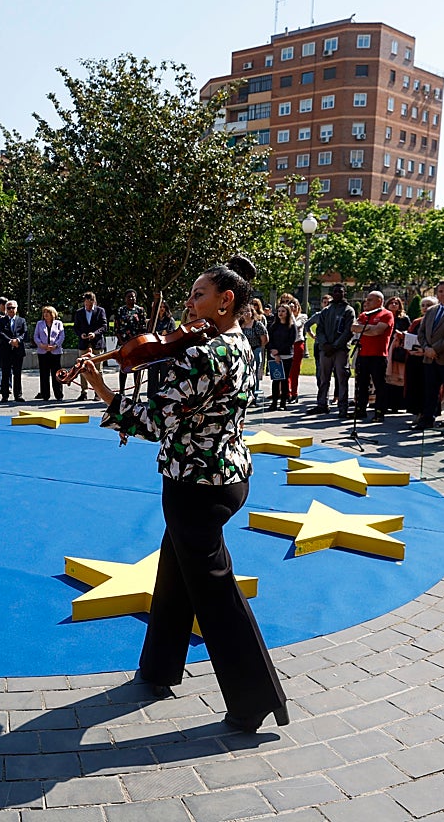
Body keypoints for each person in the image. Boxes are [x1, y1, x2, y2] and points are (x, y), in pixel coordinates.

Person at [76, 256, 288, 732]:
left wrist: (101, 389)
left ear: (225, 300)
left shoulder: (201, 354)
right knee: (175, 575)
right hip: (228, 473)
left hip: (194, 484)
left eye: (198, 296)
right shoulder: (240, 344)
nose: (187, 305)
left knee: (216, 593)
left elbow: (153, 422)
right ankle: (158, 669)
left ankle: (255, 698)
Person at [414, 280, 444, 430]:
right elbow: (421, 333)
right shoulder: (432, 310)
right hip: (429, 358)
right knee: (430, 391)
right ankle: (427, 420)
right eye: (440, 291)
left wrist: (436, 348)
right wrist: (426, 348)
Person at [306, 284, 355, 417]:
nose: (338, 293)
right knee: (323, 377)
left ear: (344, 293)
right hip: (325, 349)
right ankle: (322, 404)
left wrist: (335, 346)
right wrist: (325, 343)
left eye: (340, 291)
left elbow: (348, 332)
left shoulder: (348, 310)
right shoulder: (326, 311)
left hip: (340, 350)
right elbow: (319, 329)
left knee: (342, 377)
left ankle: (343, 407)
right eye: (335, 291)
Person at [351, 291, 395, 423]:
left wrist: (365, 329)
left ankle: (379, 412)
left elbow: (378, 331)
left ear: (379, 301)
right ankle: (360, 410)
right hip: (363, 354)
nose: (366, 302)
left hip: (378, 355)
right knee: (361, 384)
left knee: (379, 385)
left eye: (370, 300)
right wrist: (370, 328)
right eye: (367, 300)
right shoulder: (364, 314)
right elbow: (353, 327)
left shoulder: (386, 314)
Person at [72, 292, 108, 401]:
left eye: (90, 304)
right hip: (84, 344)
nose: (88, 306)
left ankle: (99, 392)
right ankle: (84, 391)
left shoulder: (100, 311)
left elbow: (104, 326)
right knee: (82, 368)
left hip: (96, 344)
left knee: (98, 369)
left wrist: (95, 333)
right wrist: (81, 334)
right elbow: (76, 327)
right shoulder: (79, 313)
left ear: (94, 302)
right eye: (86, 304)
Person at [115, 290, 147, 392]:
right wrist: (122, 343)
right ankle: (122, 391)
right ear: (125, 299)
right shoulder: (120, 311)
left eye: (133, 297)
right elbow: (117, 328)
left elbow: (143, 328)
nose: (131, 299)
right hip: (123, 343)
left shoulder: (140, 310)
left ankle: (136, 392)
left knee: (136, 369)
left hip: (136, 345)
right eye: (129, 297)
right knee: (123, 368)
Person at [383, 296, 411, 414]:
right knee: (386, 377)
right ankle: (386, 403)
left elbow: (410, 332)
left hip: (398, 350)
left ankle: (398, 404)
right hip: (385, 348)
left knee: (398, 377)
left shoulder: (404, 318)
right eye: (391, 303)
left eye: (396, 303)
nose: (394, 305)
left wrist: (402, 335)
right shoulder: (384, 317)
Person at [0, 300, 27, 403]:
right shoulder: (1, 321)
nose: (11, 310)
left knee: (17, 374)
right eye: (8, 308)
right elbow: (0, 333)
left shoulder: (21, 320)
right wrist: (10, 341)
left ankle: (18, 395)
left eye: (13, 308)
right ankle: (4, 396)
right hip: (6, 350)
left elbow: (25, 333)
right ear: (5, 309)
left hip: (18, 350)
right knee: (5, 373)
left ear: (16, 309)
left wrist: (17, 340)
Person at [266, 304, 295, 411]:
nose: (280, 313)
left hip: (286, 356)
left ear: (287, 313)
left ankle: (283, 403)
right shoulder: (274, 326)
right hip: (274, 356)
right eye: (279, 311)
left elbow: (290, 341)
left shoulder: (291, 326)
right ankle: (274, 403)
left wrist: (280, 351)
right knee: (275, 380)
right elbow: (270, 340)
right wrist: (274, 352)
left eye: (283, 311)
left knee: (284, 380)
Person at [33, 305, 64, 402]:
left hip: (55, 351)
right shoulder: (39, 323)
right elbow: (36, 336)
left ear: (53, 314)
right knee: (44, 374)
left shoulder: (58, 323)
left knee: (57, 374)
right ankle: (45, 394)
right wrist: (41, 345)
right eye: (44, 313)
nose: (46, 314)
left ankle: (58, 394)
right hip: (43, 352)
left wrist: (55, 346)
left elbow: (61, 336)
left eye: (48, 313)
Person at [146, 301, 177, 398]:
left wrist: (166, 333)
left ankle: (164, 396)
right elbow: (148, 334)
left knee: (164, 375)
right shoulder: (152, 321)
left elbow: (173, 334)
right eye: (160, 307)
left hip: (165, 351)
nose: (162, 309)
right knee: (152, 375)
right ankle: (152, 397)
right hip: (154, 351)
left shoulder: (170, 320)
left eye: (163, 307)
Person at [287, 298, 306, 404]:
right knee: (287, 371)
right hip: (288, 345)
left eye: (295, 305)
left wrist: (292, 315)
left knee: (295, 370)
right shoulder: (287, 317)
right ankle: (287, 393)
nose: (293, 307)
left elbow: (296, 326)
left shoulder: (302, 317)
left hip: (298, 344)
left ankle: (294, 393)